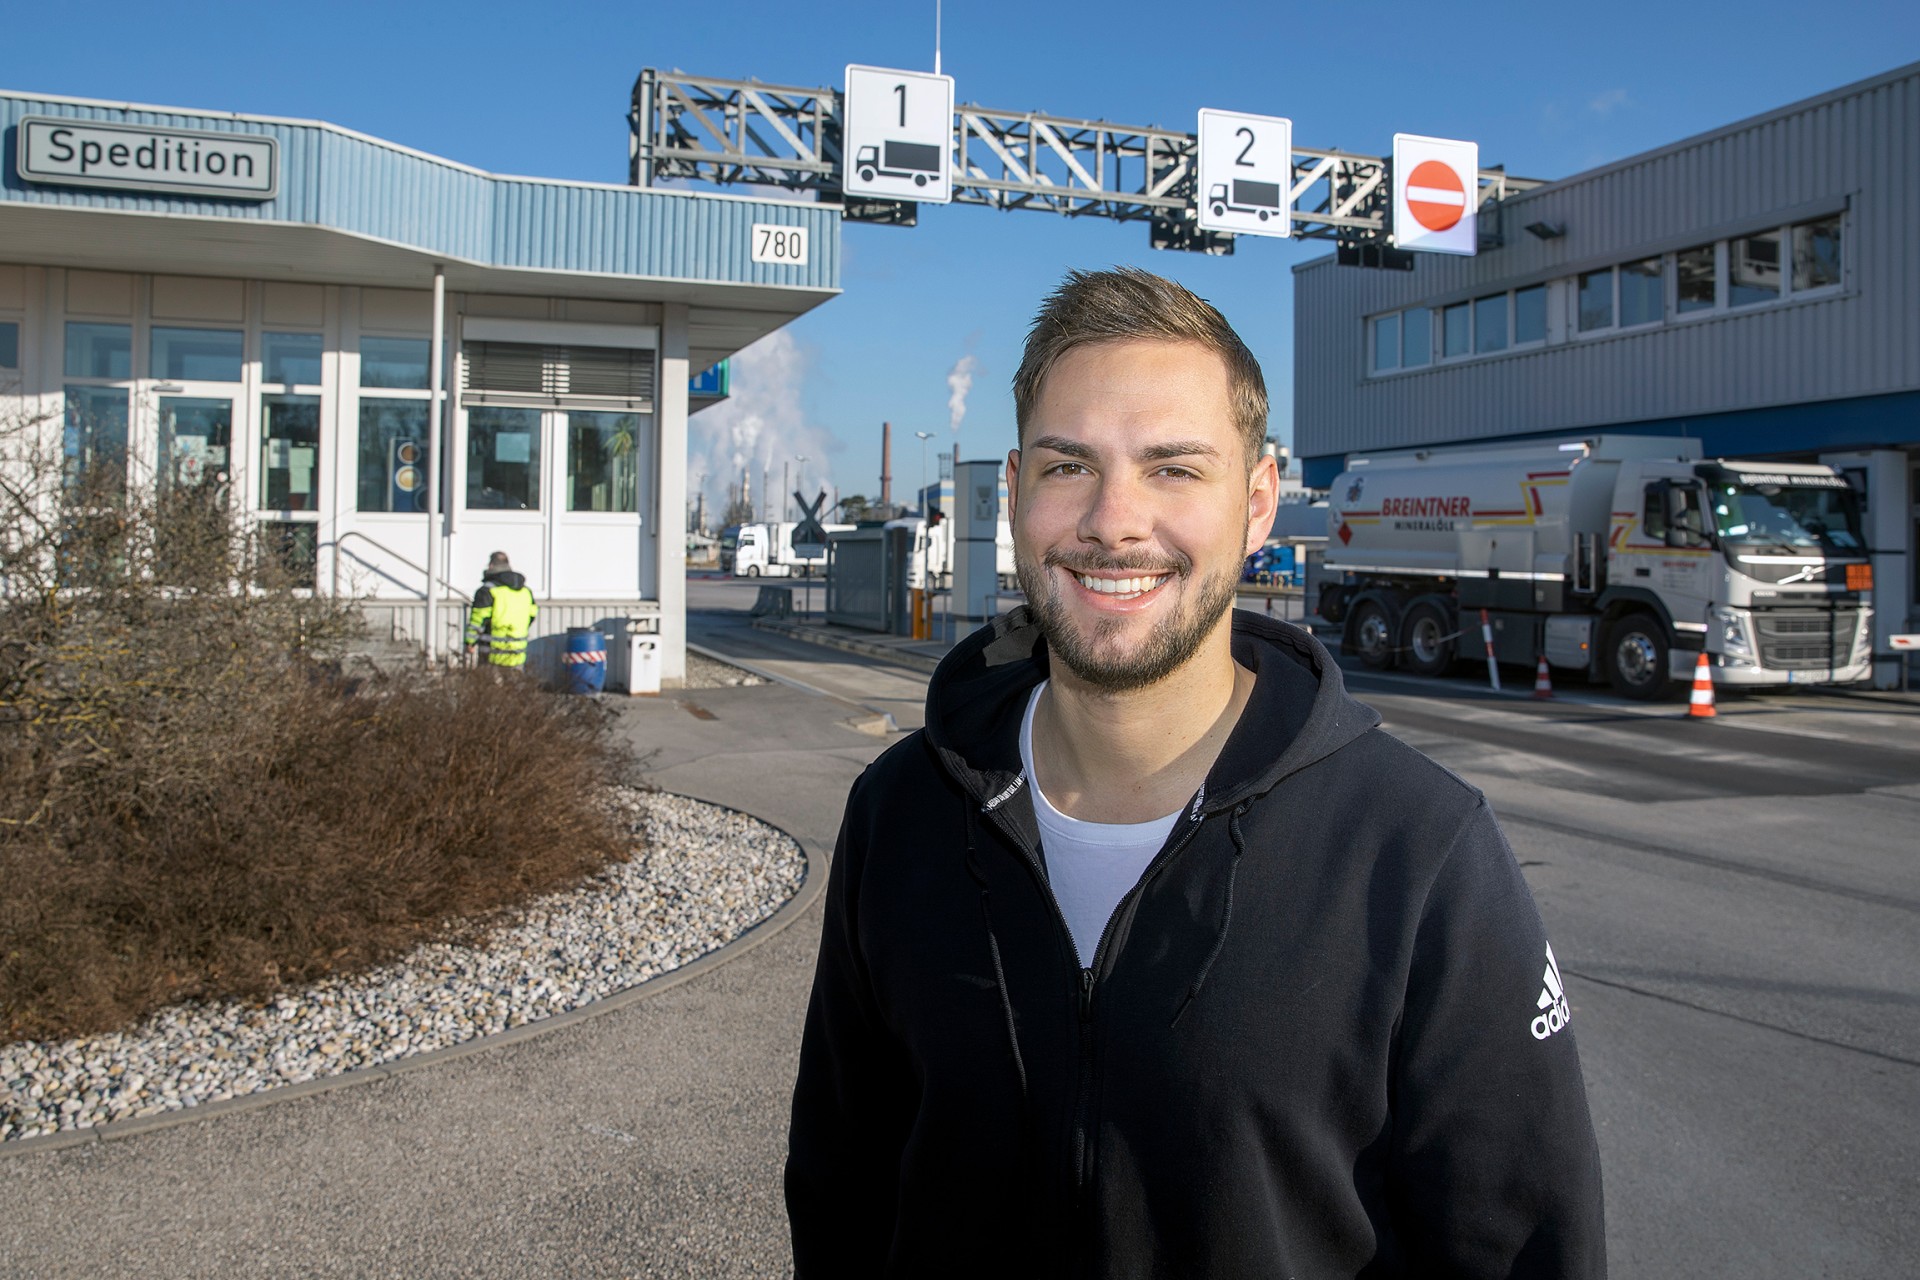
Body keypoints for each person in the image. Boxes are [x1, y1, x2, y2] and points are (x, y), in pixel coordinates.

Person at [785, 268, 1605, 1276]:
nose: (1115, 520)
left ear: (1257, 502)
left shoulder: (1419, 850)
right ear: (1013, 494)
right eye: (1067, 465)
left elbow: (1521, 1249)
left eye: (1174, 468)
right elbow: (840, 1192)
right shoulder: (900, 814)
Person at [464, 551, 537, 669]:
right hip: (517, 653)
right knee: (516, 686)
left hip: (492, 653)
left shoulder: (487, 590)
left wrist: (470, 642)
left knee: (489, 686)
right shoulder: (525, 591)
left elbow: (478, 620)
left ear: (491, 566)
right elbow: (532, 615)